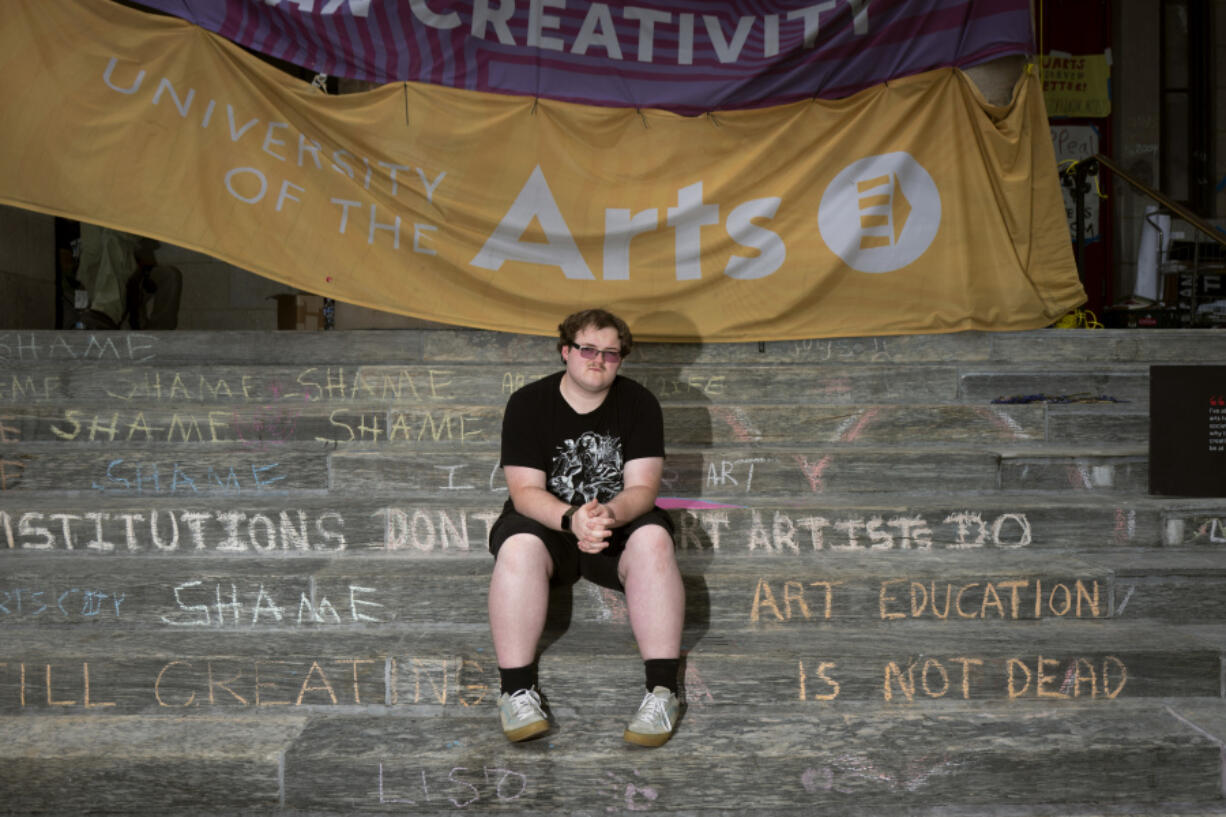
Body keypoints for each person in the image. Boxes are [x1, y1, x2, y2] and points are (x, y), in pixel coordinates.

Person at [488, 308, 685, 747]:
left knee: (654, 537)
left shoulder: (639, 404)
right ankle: (515, 691)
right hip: (548, 525)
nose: (598, 360)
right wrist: (570, 518)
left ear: (621, 359)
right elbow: (524, 491)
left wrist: (609, 516)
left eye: (611, 353)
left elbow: (643, 488)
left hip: (613, 523)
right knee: (517, 546)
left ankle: (662, 691)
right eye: (588, 349)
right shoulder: (528, 403)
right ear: (566, 351)